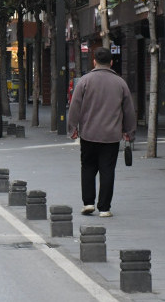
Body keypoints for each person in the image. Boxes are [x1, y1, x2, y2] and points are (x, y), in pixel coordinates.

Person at [67, 47, 136, 218]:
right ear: (111, 62)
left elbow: (74, 106)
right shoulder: (120, 83)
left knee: (88, 167)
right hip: (111, 136)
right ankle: (104, 208)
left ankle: (88, 203)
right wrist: (129, 131)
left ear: (94, 61)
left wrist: (72, 128)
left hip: (89, 134)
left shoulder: (85, 81)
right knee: (107, 170)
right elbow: (129, 110)